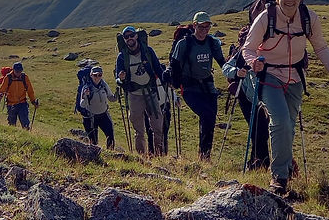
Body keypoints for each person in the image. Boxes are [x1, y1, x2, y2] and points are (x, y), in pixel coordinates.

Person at [242, 0, 329, 193]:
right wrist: (253, 62)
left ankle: (285, 168)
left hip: (296, 77)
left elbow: (320, 47)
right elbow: (248, 48)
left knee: (289, 127)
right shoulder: (265, 18)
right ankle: (279, 177)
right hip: (269, 75)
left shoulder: (309, 18)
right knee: (280, 121)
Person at [170, 11, 225, 160]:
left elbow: (222, 62)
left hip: (208, 87)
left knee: (210, 120)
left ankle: (204, 156)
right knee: (206, 115)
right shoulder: (184, 44)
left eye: (207, 27)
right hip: (189, 88)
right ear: (194, 25)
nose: (204, 31)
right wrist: (175, 83)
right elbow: (174, 64)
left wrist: (233, 75)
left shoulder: (212, 42)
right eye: (201, 27)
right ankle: (204, 156)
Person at [222, 29, 270, 170]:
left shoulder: (269, 51)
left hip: (262, 97)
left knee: (261, 130)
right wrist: (237, 72)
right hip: (248, 96)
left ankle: (258, 162)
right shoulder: (243, 53)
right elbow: (226, 67)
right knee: (259, 129)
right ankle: (261, 163)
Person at [115, 26, 165, 155]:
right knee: (139, 131)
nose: (130, 38)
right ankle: (142, 158)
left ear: (136, 36)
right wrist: (120, 79)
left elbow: (158, 69)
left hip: (151, 92)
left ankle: (159, 156)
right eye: (126, 37)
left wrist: (167, 81)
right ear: (124, 39)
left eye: (132, 35)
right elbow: (118, 79)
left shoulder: (148, 51)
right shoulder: (122, 57)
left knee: (158, 127)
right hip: (134, 95)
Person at [79, 65, 117, 148]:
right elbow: (82, 104)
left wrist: (117, 95)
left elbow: (111, 98)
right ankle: (95, 158)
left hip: (104, 115)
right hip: (91, 118)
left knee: (110, 136)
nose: (97, 77)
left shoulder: (104, 85)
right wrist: (85, 96)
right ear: (91, 75)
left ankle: (111, 155)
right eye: (95, 75)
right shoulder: (86, 88)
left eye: (99, 75)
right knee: (93, 142)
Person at [0, 61, 39, 129]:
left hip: (22, 103)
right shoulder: (8, 78)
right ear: (13, 70)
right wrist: (0, 95)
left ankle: (27, 137)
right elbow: (2, 89)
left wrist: (33, 101)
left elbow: (30, 91)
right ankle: (13, 137)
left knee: (25, 123)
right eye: (17, 71)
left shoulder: (24, 77)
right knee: (12, 125)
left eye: (20, 71)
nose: (18, 73)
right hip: (11, 104)